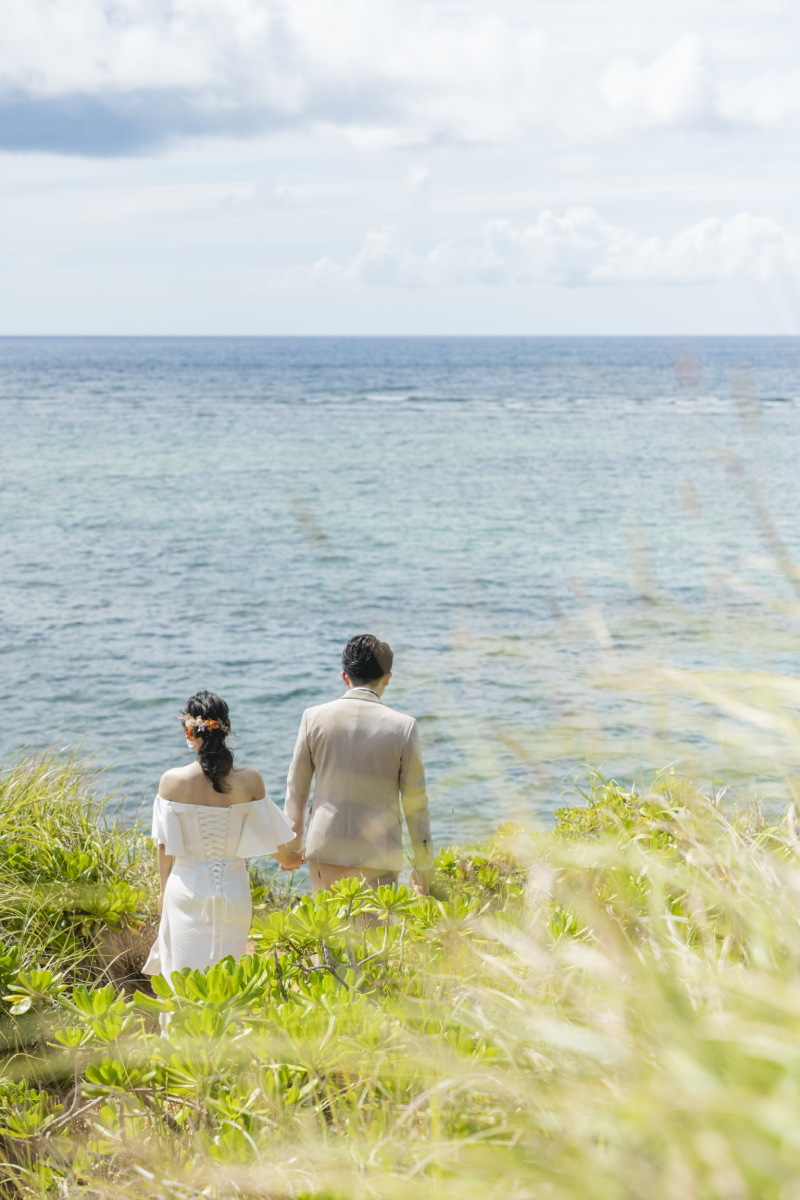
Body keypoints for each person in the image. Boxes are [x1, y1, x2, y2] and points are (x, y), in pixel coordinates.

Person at [143, 691, 302, 982]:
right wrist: (291, 860)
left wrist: (163, 893)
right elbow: (270, 839)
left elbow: (164, 846)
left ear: (189, 731)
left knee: (182, 975)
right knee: (227, 976)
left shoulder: (171, 781)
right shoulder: (250, 780)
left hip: (185, 891)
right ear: (226, 727)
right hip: (233, 892)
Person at [284, 634, 433, 894]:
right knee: (374, 934)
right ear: (387, 677)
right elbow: (415, 804)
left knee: (329, 931)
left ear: (344, 675)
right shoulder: (403, 726)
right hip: (379, 852)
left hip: (325, 847)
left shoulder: (313, 718)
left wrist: (291, 847)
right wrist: (423, 864)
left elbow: (296, 791)